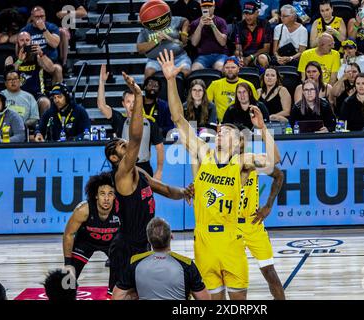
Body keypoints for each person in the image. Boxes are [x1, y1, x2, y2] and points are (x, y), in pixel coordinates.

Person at [157, 48, 280, 300]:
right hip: (203, 241)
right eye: (220, 129)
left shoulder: (242, 163)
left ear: (238, 141)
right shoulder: (203, 153)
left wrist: (262, 127)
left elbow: (273, 160)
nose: (221, 130)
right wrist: (170, 81)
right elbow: (178, 118)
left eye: (227, 131)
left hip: (231, 239)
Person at [104, 71, 194, 300]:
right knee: (122, 296)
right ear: (115, 158)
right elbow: (135, 138)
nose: (126, 145)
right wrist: (137, 93)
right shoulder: (122, 174)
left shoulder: (139, 171)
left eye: (125, 144)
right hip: (126, 247)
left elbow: (163, 189)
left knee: (140, 295)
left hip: (144, 246)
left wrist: (183, 192)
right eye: (121, 146)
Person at [113, 217, 211, 300]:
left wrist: (131, 296)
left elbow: (116, 297)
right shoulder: (187, 265)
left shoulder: (134, 263)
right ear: (171, 237)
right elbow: (205, 299)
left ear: (148, 239)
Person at [98, 65, 164, 179]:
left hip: (144, 168)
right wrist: (101, 82)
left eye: (134, 101)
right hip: (123, 166)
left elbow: (160, 148)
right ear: (123, 103)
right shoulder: (120, 120)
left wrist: (159, 170)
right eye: (128, 101)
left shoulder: (150, 123)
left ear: (140, 103)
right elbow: (102, 106)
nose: (132, 105)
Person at [62, 172, 120, 295]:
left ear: (115, 196)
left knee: (121, 269)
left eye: (110, 194)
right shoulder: (83, 210)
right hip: (85, 242)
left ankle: (112, 294)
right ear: (96, 196)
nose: (106, 198)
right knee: (67, 283)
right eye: (102, 194)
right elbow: (68, 234)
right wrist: (67, 263)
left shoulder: (122, 209)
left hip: (112, 244)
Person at [237, 161, 285, 300]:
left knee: (270, 272)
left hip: (253, 224)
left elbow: (279, 175)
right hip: (231, 226)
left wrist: (268, 206)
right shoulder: (222, 165)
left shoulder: (253, 162)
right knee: (233, 279)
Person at [5, 31, 57, 115]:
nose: (25, 43)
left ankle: (42, 127)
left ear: (31, 42)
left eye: (27, 40)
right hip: (17, 95)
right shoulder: (11, 58)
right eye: (22, 40)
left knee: (45, 102)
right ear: (17, 43)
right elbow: (8, 75)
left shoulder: (37, 57)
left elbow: (51, 69)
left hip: (36, 94)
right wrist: (19, 61)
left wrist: (41, 54)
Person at [33, 0, 88, 72]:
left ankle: (63, 64)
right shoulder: (44, 3)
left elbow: (84, 13)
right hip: (46, 29)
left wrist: (67, 13)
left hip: (63, 30)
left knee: (62, 32)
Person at [137, 11, 191, 79]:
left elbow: (185, 20)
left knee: (186, 72)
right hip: (156, 61)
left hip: (178, 58)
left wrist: (184, 32)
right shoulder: (145, 30)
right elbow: (140, 49)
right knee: (149, 73)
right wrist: (156, 40)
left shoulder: (171, 20)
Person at [206, 56, 259, 122]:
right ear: (223, 69)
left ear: (238, 69)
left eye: (233, 67)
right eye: (227, 67)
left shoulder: (248, 85)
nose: (230, 70)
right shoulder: (215, 84)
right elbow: (205, 104)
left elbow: (256, 105)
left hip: (244, 122)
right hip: (221, 124)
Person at [189, 0, 228, 72]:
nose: (207, 8)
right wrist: (200, 26)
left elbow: (223, 42)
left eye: (209, 6)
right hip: (202, 56)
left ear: (214, 7)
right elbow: (194, 43)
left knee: (220, 68)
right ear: (201, 8)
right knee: (194, 70)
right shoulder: (195, 23)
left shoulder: (221, 21)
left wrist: (213, 25)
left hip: (220, 54)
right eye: (204, 6)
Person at [2, 69, 40, 139]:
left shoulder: (29, 97)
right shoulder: (0, 96)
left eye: (15, 79)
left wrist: (22, 124)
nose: (13, 81)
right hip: (3, 131)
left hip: (22, 131)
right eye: (9, 79)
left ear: (20, 81)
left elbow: (34, 118)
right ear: (5, 83)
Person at [234, 1, 272, 70]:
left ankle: (262, 78)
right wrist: (240, 57)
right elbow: (238, 48)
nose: (247, 17)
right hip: (244, 56)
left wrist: (250, 57)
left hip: (259, 55)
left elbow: (266, 49)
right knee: (232, 62)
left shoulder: (265, 24)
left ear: (257, 13)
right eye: (245, 14)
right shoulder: (239, 26)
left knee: (262, 58)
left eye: (250, 14)